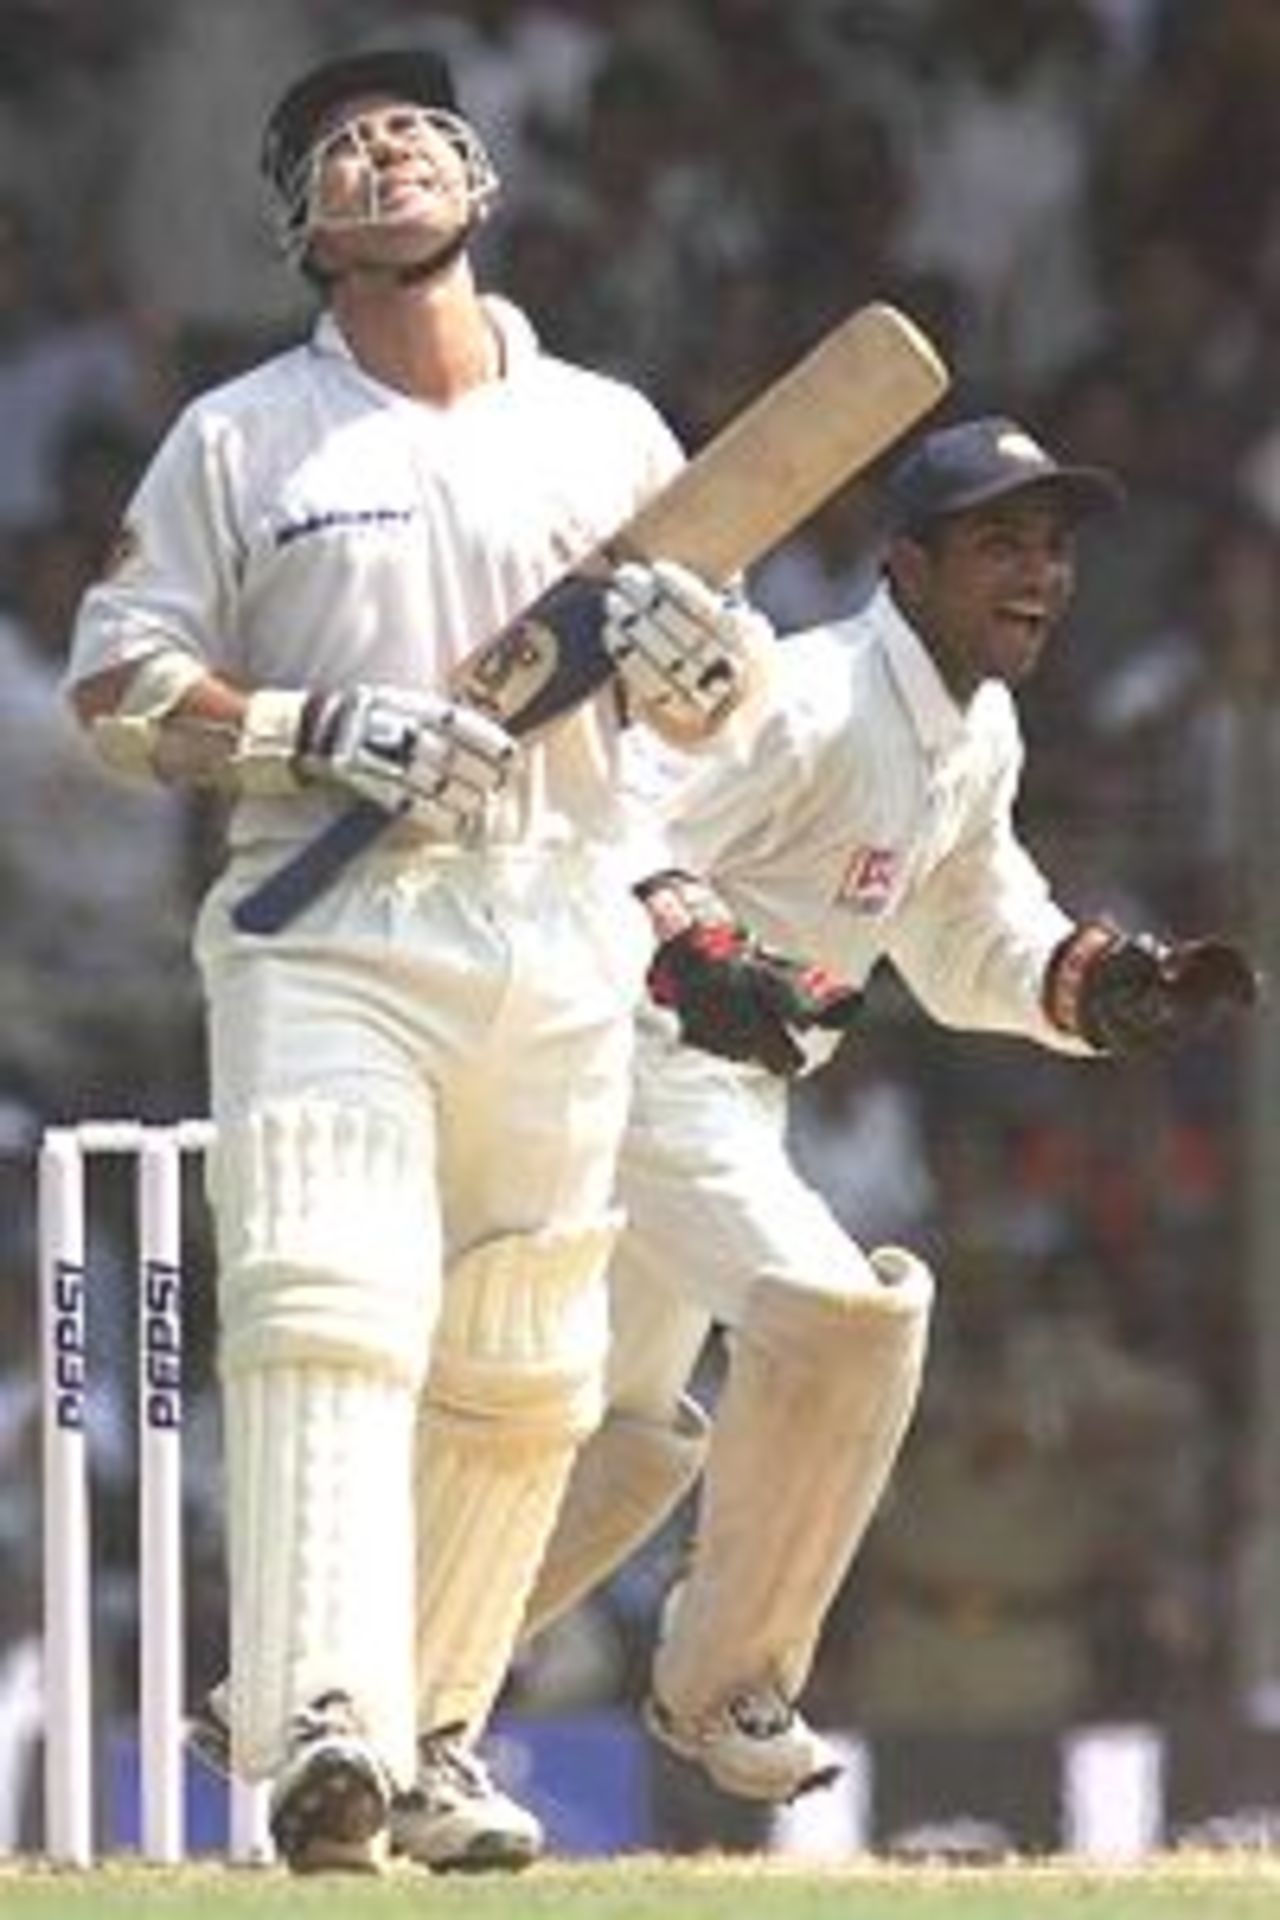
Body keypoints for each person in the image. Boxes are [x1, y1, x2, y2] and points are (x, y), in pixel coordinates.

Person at [62, 45, 781, 1876]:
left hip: (560, 918)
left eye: (410, 125)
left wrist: (714, 673)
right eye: (339, 143)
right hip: (335, 922)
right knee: (328, 1295)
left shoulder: (610, 427)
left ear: (476, 175)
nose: (381, 147)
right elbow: (117, 681)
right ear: (305, 225)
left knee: (526, 1361)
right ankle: (320, 1722)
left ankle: (437, 1731)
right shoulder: (242, 433)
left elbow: (721, 700)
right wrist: (316, 730)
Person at [510, 414, 1257, 1803]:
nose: (1037, 575)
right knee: (847, 1325)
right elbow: (614, 817)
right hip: (635, 1065)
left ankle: (389, 1690)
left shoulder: (975, 730)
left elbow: (971, 931)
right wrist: (695, 944)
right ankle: (727, 1686)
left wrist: (1095, 989)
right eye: (997, 545)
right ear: (906, 565)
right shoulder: (805, 694)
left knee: (616, 1441)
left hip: (729, 1092)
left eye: (1050, 548)